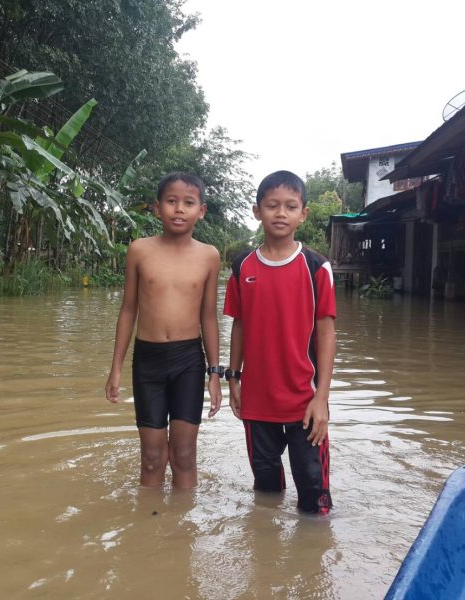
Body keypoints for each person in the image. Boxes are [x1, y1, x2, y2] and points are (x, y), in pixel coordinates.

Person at [223, 170, 336, 514]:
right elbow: (239, 326)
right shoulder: (243, 266)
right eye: (272, 205)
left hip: (305, 402)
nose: (281, 213)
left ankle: (313, 560)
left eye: (290, 206)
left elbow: (327, 332)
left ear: (303, 214)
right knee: (266, 495)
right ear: (257, 211)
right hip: (258, 402)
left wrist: (322, 398)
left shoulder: (316, 266)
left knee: (314, 499)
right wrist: (233, 380)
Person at [105, 172, 223, 489]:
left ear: (201, 210)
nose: (179, 209)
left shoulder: (209, 256)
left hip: (188, 361)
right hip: (148, 361)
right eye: (171, 201)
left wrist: (215, 373)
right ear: (158, 208)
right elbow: (128, 310)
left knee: (184, 454)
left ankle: (181, 533)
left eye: (188, 202)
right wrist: (115, 368)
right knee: (152, 457)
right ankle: (149, 528)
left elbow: (209, 317)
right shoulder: (139, 250)